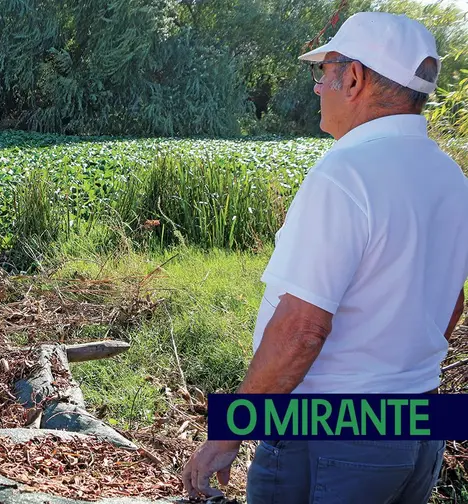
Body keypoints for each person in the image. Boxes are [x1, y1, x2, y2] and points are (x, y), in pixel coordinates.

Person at [182, 11, 468, 504]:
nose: (318, 89)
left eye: (324, 72)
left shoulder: (346, 174)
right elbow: (452, 305)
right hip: (420, 424)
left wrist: (227, 435)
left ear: (353, 78)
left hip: (332, 429)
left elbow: (302, 328)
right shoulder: (449, 176)